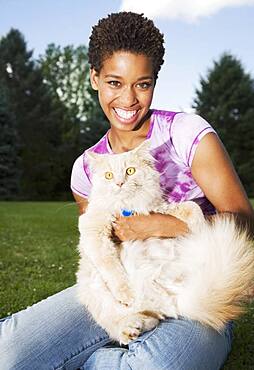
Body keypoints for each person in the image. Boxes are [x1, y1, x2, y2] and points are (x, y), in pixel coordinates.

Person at [1, 11, 253, 370]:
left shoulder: (186, 133)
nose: (129, 99)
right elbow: (99, 250)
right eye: (115, 83)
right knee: (8, 350)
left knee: (154, 366)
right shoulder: (87, 169)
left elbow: (243, 222)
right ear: (95, 78)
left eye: (142, 84)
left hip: (194, 290)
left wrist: (159, 224)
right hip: (121, 292)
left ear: (154, 82)